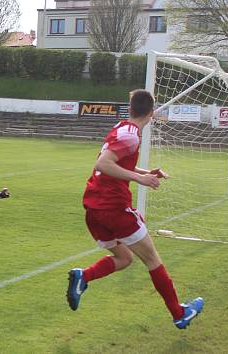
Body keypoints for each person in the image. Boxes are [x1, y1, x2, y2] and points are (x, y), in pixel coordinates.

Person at [65, 89, 204, 330]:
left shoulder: (123, 128)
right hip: (114, 208)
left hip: (94, 208)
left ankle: (84, 277)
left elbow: (117, 162)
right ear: (152, 112)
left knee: (124, 258)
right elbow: (103, 163)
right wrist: (140, 180)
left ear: (130, 109)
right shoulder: (131, 136)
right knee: (152, 259)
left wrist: (145, 172)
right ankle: (179, 313)